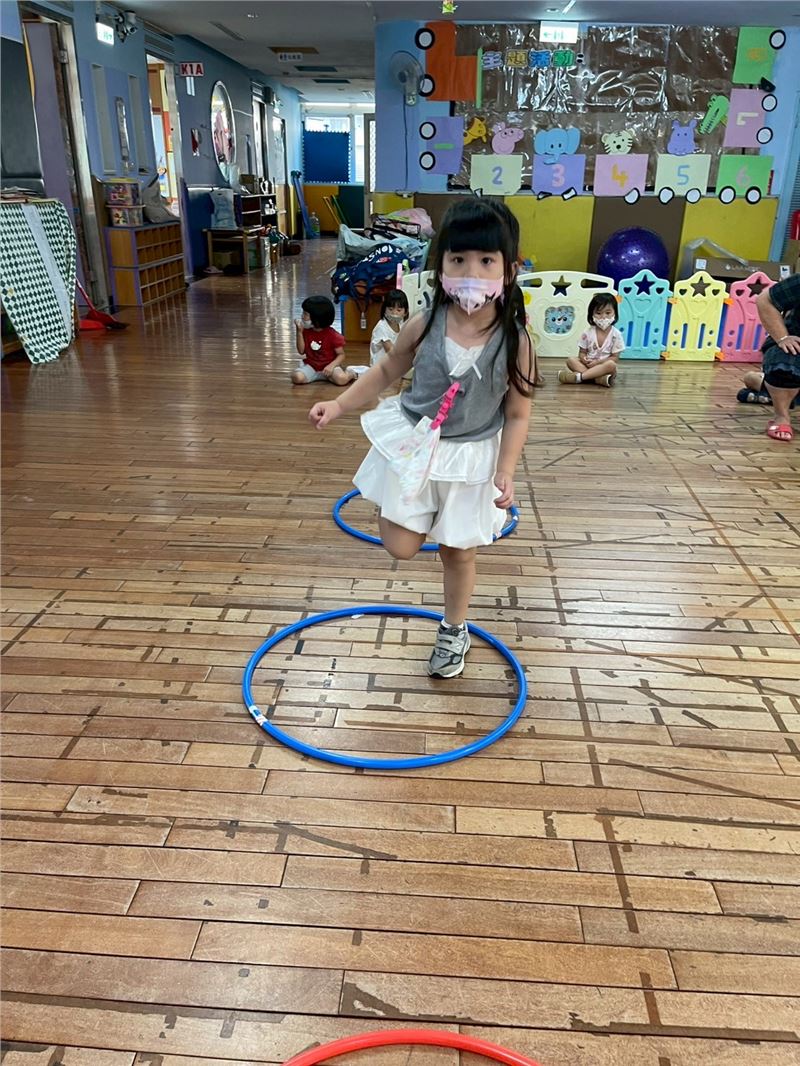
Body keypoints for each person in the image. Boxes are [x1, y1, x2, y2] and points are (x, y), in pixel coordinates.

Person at [308, 199, 534, 678]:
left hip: (470, 457)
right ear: (441, 266)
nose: (471, 273)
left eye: (486, 260)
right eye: (458, 259)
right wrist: (340, 404)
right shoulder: (425, 322)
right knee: (401, 547)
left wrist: (506, 469)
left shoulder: (516, 341)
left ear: (509, 270)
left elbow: (517, 413)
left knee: (458, 551)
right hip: (416, 445)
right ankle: (418, 508)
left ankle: (454, 628)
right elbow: (385, 370)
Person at [755, 275, 800, 441]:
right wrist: (783, 337)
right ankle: (782, 417)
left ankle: (758, 383)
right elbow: (765, 300)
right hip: (795, 342)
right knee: (785, 365)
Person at [558, 293, 624, 387]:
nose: (603, 317)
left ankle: (580, 377)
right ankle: (598, 378)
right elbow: (582, 352)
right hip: (588, 365)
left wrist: (598, 363)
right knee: (571, 360)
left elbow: (615, 358)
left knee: (611, 365)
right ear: (592, 314)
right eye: (598, 313)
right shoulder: (587, 332)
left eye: (608, 313)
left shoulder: (616, 334)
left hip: (604, 367)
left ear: (615, 313)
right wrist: (584, 359)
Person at [292, 295, 355, 386]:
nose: (302, 316)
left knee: (341, 379)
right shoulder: (305, 331)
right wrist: (299, 332)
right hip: (312, 366)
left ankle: (352, 373)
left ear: (316, 318)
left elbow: (341, 355)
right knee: (297, 377)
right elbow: (301, 351)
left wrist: (331, 366)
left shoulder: (333, 335)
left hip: (329, 366)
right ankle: (316, 376)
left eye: (305, 314)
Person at [370, 289, 410, 366]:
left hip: (393, 364)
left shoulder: (401, 324)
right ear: (384, 309)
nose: (394, 313)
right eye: (390, 309)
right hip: (380, 367)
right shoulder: (381, 327)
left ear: (405, 312)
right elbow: (391, 351)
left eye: (399, 310)